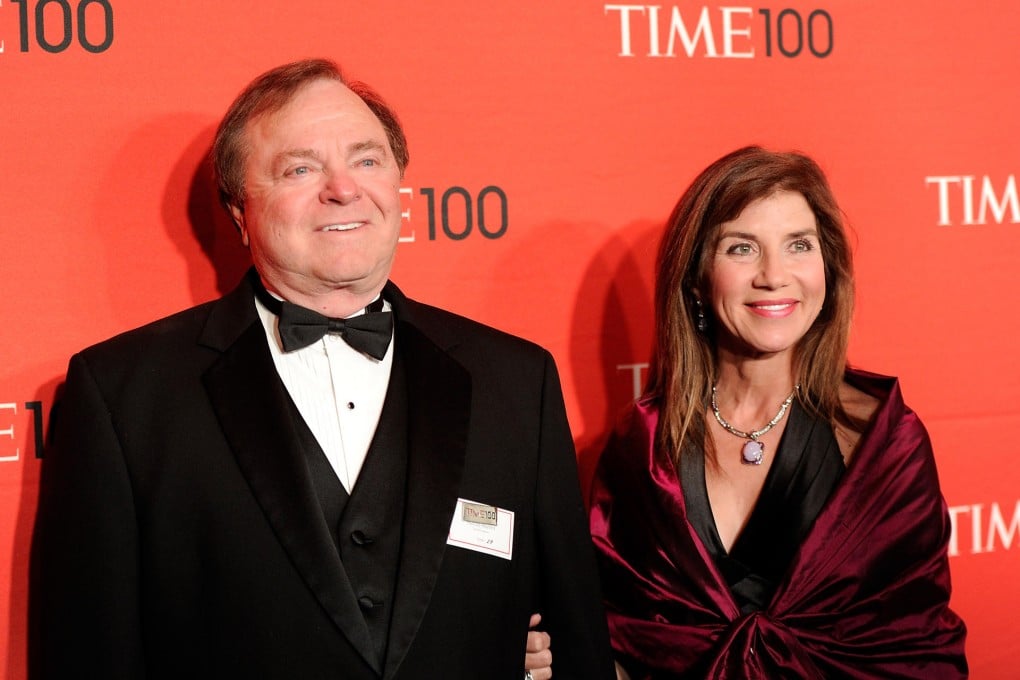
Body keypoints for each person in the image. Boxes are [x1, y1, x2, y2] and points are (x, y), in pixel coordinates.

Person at [31, 58, 614, 680]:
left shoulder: (517, 382)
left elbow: (575, 643)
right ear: (237, 208)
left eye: (367, 160)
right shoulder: (124, 395)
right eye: (300, 168)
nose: (343, 189)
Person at [588, 146, 967, 678]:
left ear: (827, 270)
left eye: (798, 245)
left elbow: (915, 647)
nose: (774, 275)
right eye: (742, 248)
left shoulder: (878, 441)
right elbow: (615, 634)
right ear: (697, 277)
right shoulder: (644, 445)